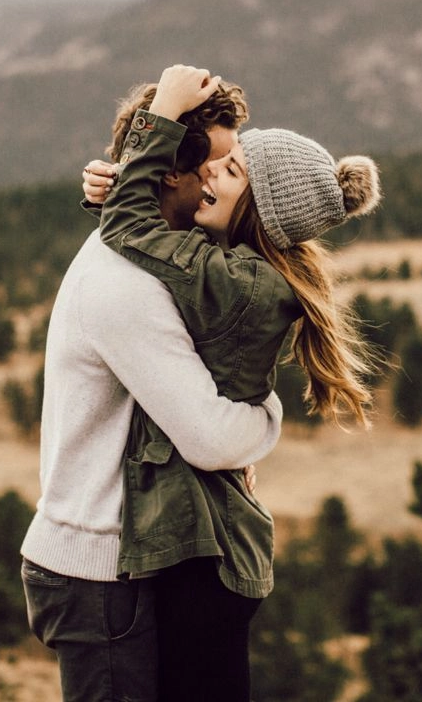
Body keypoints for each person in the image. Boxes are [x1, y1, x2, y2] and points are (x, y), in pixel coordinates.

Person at [85, 64, 383, 702]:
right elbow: (145, 230)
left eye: (232, 170)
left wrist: (160, 113)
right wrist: (111, 182)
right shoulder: (241, 268)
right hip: (211, 550)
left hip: (202, 558)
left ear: (259, 212)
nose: (209, 173)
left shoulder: (238, 283)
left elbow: (131, 231)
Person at [19, 77, 282, 702]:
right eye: (220, 163)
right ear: (169, 173)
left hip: (121, 559)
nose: (227, 179)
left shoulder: (158, 253)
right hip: (98, 570)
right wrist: (269, 414)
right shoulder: (127, 286)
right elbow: (210, 436)